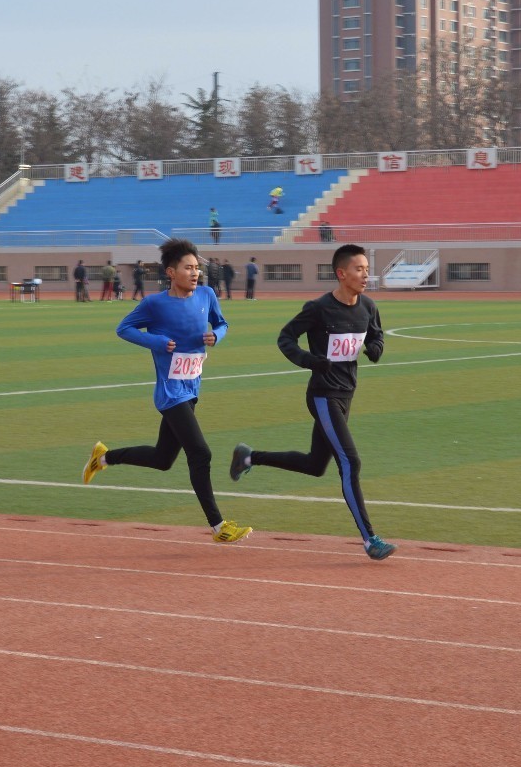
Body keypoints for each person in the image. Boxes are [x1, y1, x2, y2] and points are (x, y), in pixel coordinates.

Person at [228, 244, 395, 561]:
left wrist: (375, 348)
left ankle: (249, 457)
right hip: (322, 395)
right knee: (350, 462)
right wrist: (309, 360)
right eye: (358, 269)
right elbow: (285, 337)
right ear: (341, 273)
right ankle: (370, 539)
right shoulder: (319, 308)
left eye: (366, 268)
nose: (365, 274)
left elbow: (377, 336)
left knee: (315, 465)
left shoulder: (368, 307)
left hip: (347, 395)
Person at [82, 238, 251, 545]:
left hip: (192, 387)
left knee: (163, 458)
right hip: (171, 393)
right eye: (189, 267)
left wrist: (218, 335)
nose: (195, 272)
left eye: (197, 267)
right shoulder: (155, 304)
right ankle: (218, 526)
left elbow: (223, 323)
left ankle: (104, 458)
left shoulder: (207, 294)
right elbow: (124, 329)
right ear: (171, 272)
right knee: (201, 453)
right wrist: (156, 342)